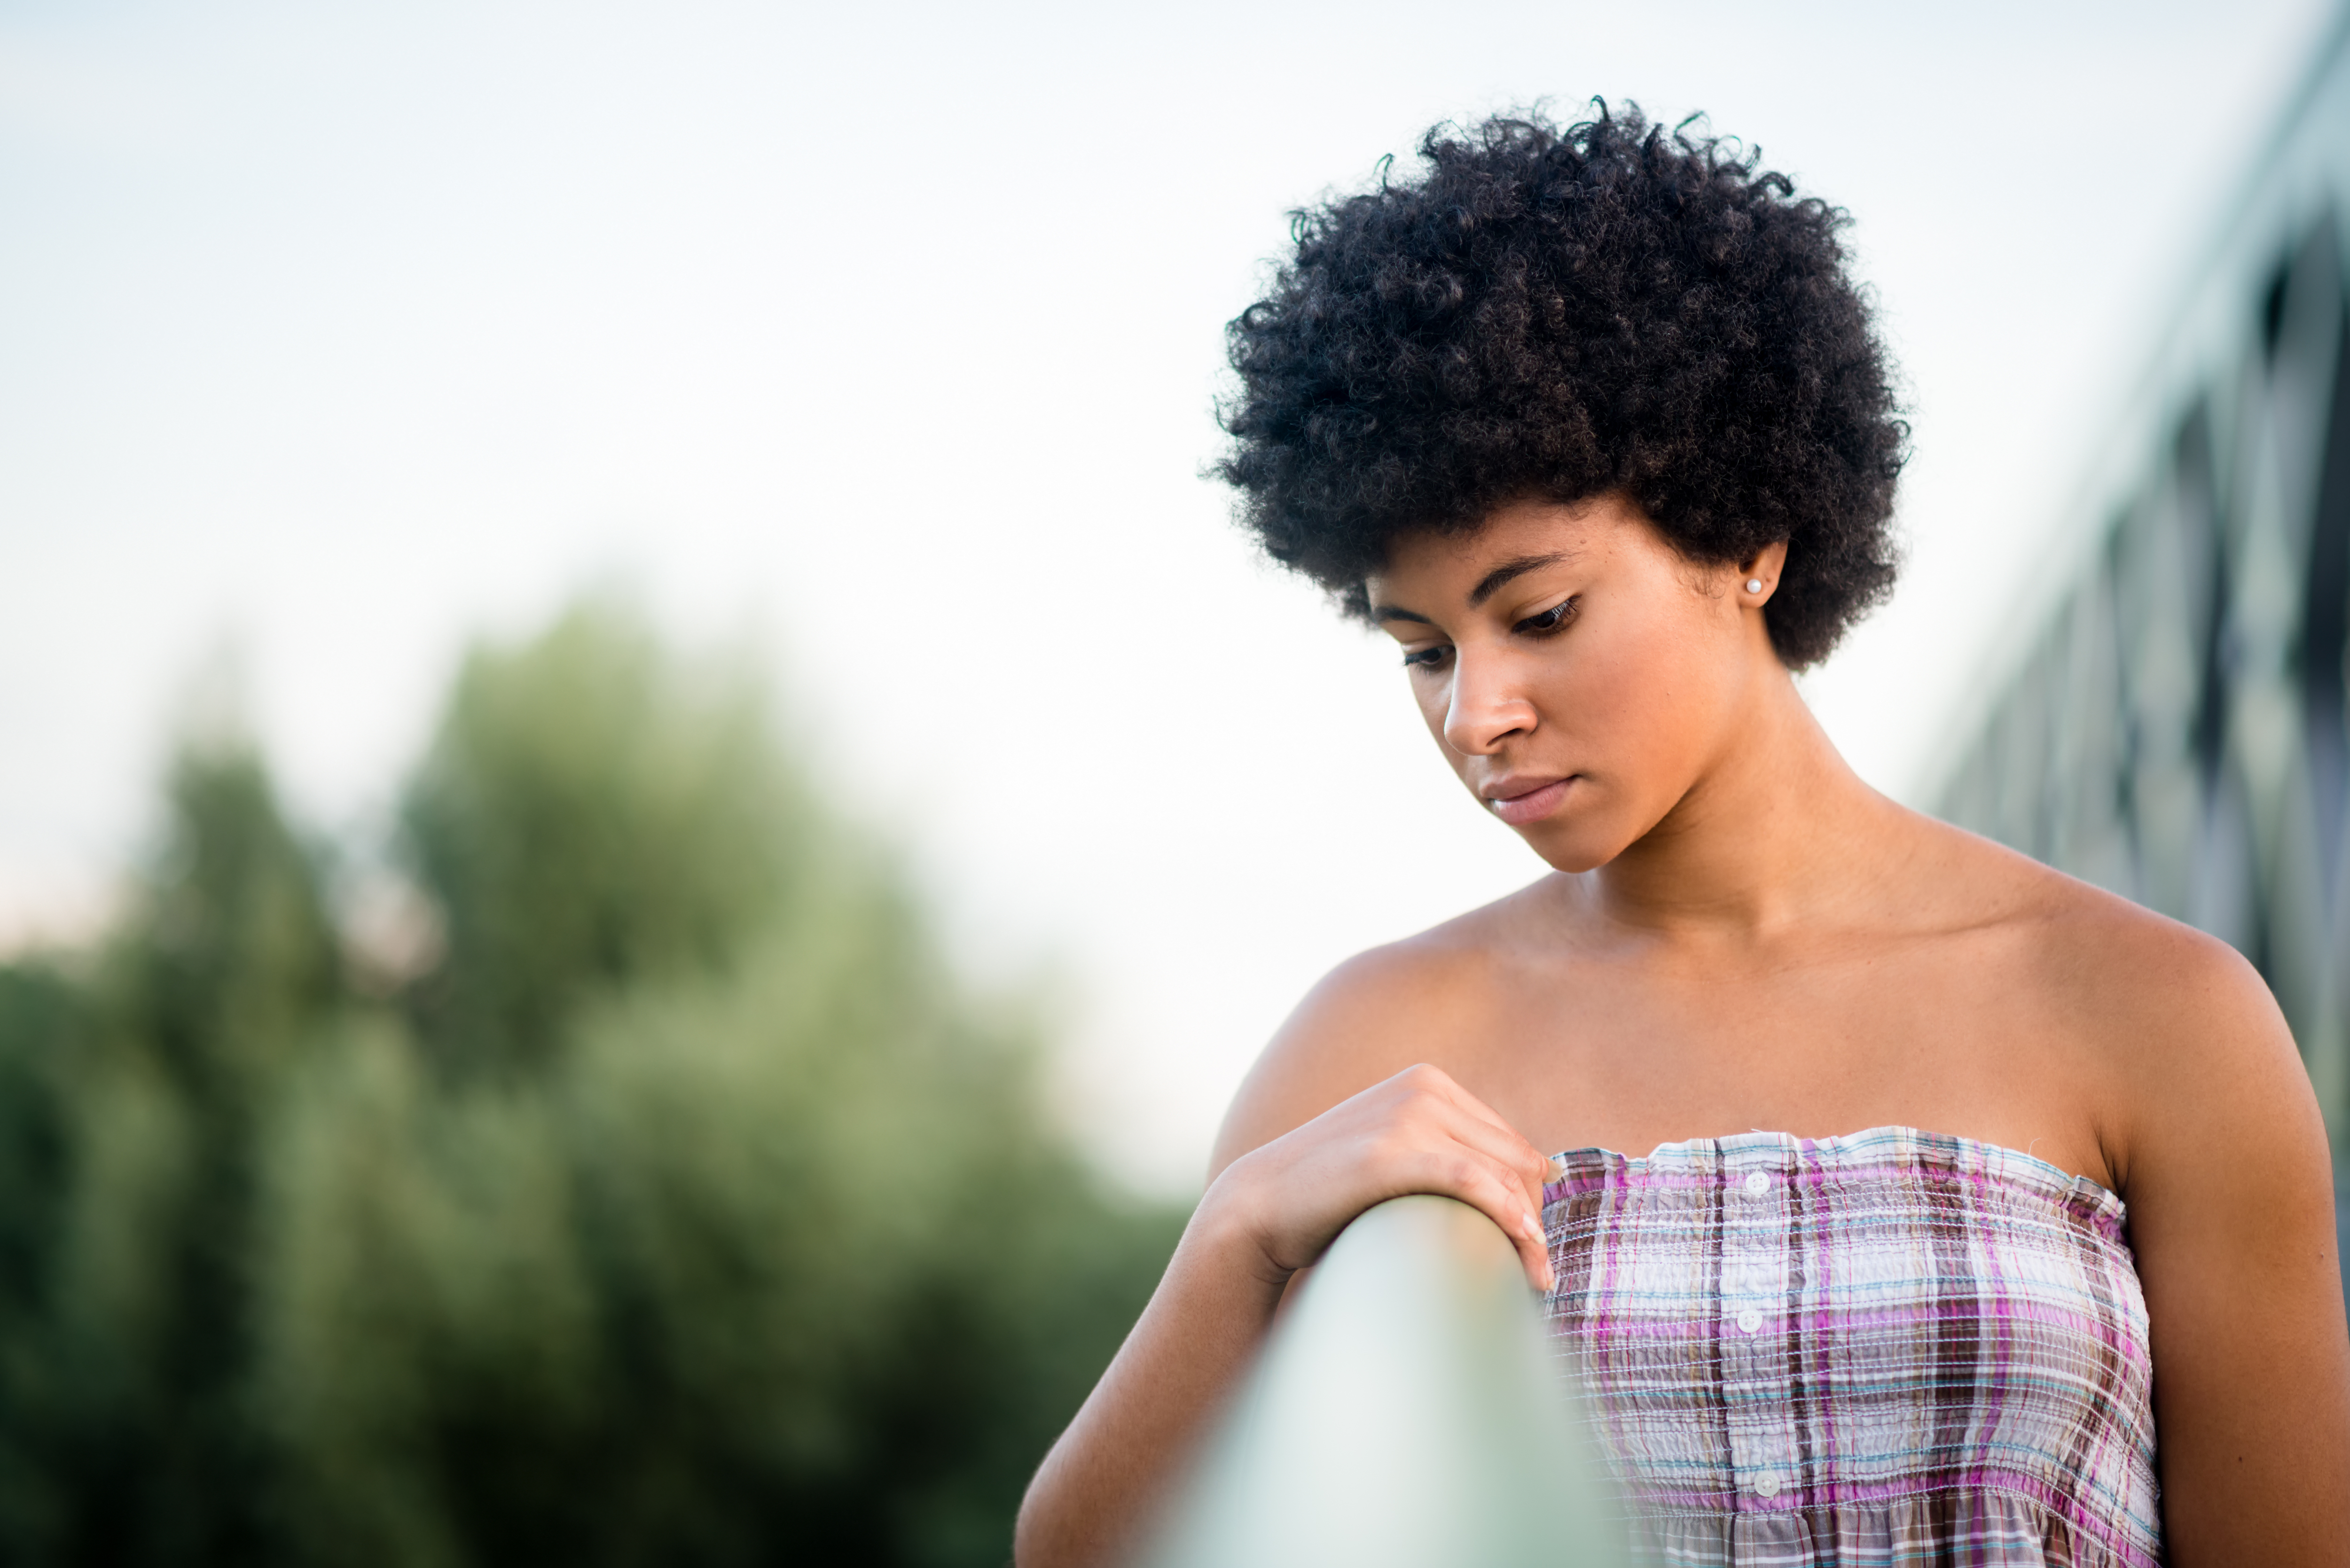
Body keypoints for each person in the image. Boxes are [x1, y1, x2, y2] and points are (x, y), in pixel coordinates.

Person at [1014, 106, 2350, 1567]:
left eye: (1540, 615)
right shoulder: (1375, 1043)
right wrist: (1238, 1232)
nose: (1478, 714)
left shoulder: (2160, 1014)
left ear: (1749, 538)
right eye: (1422, 647)